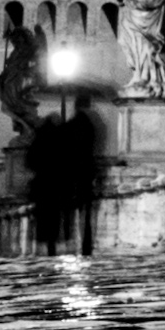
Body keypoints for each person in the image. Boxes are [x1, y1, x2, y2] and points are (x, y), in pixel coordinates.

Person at [61, 101, 101, 256]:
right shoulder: (90, 124)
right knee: (87, 210)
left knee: (71, 208)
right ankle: (86, 242)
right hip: (85, 171)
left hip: (72, 172)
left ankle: (70, 240)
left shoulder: (70, 126)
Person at [26, 113, 68, 257]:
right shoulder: (61, 138)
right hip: (57, 184)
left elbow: (30, 161)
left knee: (43, 217)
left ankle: (44, 246)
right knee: (55, 217)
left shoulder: (39, 138)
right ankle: (52, 245)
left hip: (42, 184)